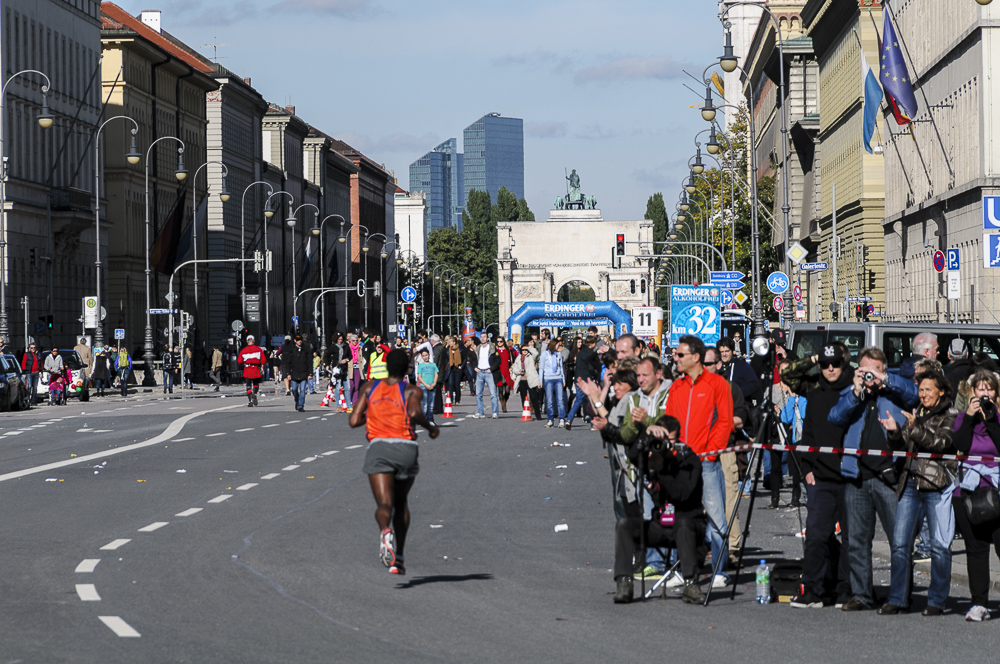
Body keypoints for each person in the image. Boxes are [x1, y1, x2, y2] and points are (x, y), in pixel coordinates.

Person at [829, 347, 919, 611]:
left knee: (899, 542)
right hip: (856, 475)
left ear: (882, 369)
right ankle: (862, 594)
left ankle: (899, 598)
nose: (867, 375)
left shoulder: (895, 390)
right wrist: (856, 390)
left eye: (872, 370)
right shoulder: (853, 392)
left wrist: (886, 379)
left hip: (889, 476)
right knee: (856, 540)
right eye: (863, 370)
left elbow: (914, 394)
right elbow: (835, 417)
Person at [349, 349, 439, 575]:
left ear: (386, 365)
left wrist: (372, 415)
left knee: (384, 504)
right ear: (407, 368)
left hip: (379, 447)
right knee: (401, 503)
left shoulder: (369, 388)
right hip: (406, 448)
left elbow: (353, 420)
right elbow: (416, 413)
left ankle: (385, 531)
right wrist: (430, 428)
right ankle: (399, 558)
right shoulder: (411, 391)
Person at [879, 370, 959, 616]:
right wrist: (894, 431)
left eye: (928, 390)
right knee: (901, 544)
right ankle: (898, 598)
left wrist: (913, 430)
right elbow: (900, 444)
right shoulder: (917, 412)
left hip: (935, 485)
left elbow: (942, 444)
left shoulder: (951, 414)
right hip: (910, 483)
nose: (923, 394)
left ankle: (936, 601)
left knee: (939, 546)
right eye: (921, 389)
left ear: (941, 391)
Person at [782, 342, 854, 608]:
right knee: (815, 535)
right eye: (825, 364)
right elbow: (787, 375)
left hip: (850, 476)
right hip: (820, 476)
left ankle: (846, 590)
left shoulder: (854, 388)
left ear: (843, 364)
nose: (830, 368)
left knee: (850, 538)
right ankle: (812, 589)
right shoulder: (814, 388)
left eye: (835, 363)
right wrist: (807, 469)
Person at [612, 415, 707, 605]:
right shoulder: (653, 458)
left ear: (678, 439)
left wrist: (662, 471)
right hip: (663, 524)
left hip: (689, 526)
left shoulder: (689, 460)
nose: (665, 446)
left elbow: (682, 495)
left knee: (683, 523)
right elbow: (631, 455)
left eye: (669, 441)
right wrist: (646, 435)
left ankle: (690, 583)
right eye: (661, 441)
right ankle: (624, 583)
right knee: (624, 525)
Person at [663, 335, 734, 590]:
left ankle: (720, 570)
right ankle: (683, 569)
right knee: (679, 518)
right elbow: (669, 422)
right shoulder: (677, 386)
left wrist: (710, 452)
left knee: (716, 519)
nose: (676, 358)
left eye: (680, 355)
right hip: (681, 462)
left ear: (695, 357)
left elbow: (724, 421)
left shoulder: (717, 384)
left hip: (706, 462)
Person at [952, 369, 1000, 621]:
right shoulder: (962, 418)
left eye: (989, 388)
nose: (985, 393)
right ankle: (979, 603)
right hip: (969, 491)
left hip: (996, 489)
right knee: (976, 549)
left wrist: (991, 418)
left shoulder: (998, 417)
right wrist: (971, 417)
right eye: (980, 388)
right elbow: (960, 444)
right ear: (972, 392)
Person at [703, 346, 748, 556]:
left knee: (729, 500)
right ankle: (709, 545)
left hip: (725, 450)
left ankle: (731, 547)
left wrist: (722, 423)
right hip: (700, 452)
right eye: (700, 364)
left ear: (719, 365)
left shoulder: (730, 388)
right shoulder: (694, 388)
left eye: (708, 364)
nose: (704, 368)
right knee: (704, 502)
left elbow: (741, 418)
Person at [566, 336, 601, 431]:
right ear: (592, 344)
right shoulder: (592, 354)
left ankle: (569, 420)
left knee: (578, 400)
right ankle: (592, 424)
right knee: (591, 402)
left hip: (579, 378)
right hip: (587, 379)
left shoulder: (580, 353)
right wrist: (595, 376)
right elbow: (592, 367)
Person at [282, 334, 314, 412]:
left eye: (301, 340)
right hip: (294, 373)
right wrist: (288, 373)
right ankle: (297, 400)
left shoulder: (305, 349)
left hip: (303, 373)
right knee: (295, 390)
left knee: (303, 390)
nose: (300, 341)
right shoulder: (292, 350)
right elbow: (288, 363)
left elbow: (309, 362)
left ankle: (300, 405)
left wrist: (310, 373)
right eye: (298, 340)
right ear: (295, 341)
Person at [473, 332, 501, 419]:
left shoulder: (492, 348)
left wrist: (491, 369)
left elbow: (498, 360)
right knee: (478, 394)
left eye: (484, 337)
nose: (482, 339)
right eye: (481, 337)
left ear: (487, 338)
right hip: (480, 372)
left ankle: (495, 412)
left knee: (493, 394)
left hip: (489, 372)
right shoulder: (478, 348)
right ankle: (480, 412)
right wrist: (475, 367)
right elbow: (473, 359)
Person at [539, 338, 566, 427]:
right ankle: (550, 419)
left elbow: (561, 367)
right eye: (557, 345)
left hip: (558, 378)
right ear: (553, 345)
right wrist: (540, 380)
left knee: (560, 400)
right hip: (548, 378)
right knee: (549, 400)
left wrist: (563, 379)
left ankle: (561, 419)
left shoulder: (558, 354)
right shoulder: (544, 354)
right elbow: (541, 368)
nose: (559, 346)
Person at [512, 343, 541, 420]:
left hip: (531, 379)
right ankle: (525, 412)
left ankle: (538, 415)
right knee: (523, 398)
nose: (524, 351)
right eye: (523, 350)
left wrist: (529, 347)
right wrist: (519, 371)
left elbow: (536, 353)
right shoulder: (518, 358)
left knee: (534, 397)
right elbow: (514, 368)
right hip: (522, 380)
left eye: (526, 350)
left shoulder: (531, 357)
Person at [238, 334, 266, 406]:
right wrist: (262, 368)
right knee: (256, 383)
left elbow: (239, 361)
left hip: (247, 369)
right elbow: (263, 360)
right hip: (256, 369)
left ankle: (250, 400)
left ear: (247, 341)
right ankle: (254, 392)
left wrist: (242, 365)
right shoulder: (259, 349)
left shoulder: (243, 350)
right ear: (254, 341)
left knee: (248, 385)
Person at [416, 348, 439, 425]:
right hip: (424, 386)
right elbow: (420, 376)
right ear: (422, 357)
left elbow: (436, 374)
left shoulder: (433, 365)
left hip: (432, 386)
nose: (425, 357)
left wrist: (434, 383)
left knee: (431, 405)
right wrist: (426, 385)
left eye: (426, 355)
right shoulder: (421, 365)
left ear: (429, 355)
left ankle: (430, 419)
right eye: (423, 356)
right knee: (425, 404)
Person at [494, 337, 514, 413]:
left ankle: (504, 400)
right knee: (500, 390)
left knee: (508, 390)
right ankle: (503, 405)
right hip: (499, 371)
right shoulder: (496, 351)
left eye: (501, 341)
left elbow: (511, 360)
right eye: (498, 341)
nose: (499, 343)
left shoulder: (508, 350)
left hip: (506, 371)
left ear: (503, 342)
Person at [21, 342, 41, 406]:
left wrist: (41, 371)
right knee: (29, 387)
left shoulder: (38, 354)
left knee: (35, 388)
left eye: (34, 348)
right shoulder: (27, 354)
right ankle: (27, 400)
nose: (33, 349)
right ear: (29, 348)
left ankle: (33, 401)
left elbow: (40, 363)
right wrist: (24, 371)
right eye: (32, 348)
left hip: (36, 372)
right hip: (29, 372)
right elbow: (23, 363)